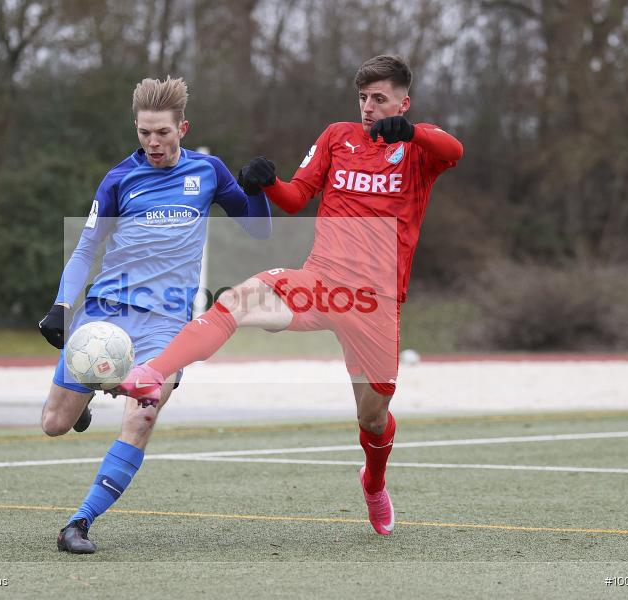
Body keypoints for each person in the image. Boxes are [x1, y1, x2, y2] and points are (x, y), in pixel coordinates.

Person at [114, 55, 464, 536]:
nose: (368, 107)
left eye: (379, 99)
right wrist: (267, 183)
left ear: (403, 103)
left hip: (374, 303)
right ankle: (153, 373)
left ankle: (373, 482)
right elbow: (297, 197)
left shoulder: (419, 148)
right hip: (320, 283)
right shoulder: (337, 137)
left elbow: (454, 149)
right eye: (363, 98)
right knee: (237, 300)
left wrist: (412, 132)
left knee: (373, 419)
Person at [37, 76, 271, 554]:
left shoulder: (208, 171)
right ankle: (86, 400)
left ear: (182, 128)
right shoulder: (119, 178)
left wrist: (259, 189)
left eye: (162, 132)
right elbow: (86, 248)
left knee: (142, 417)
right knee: (54, 423)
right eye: (144, 133)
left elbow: (259, 229)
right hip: (106, 311)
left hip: (167, 324)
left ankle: (79, 523)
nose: (153, 142)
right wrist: (62, 305)